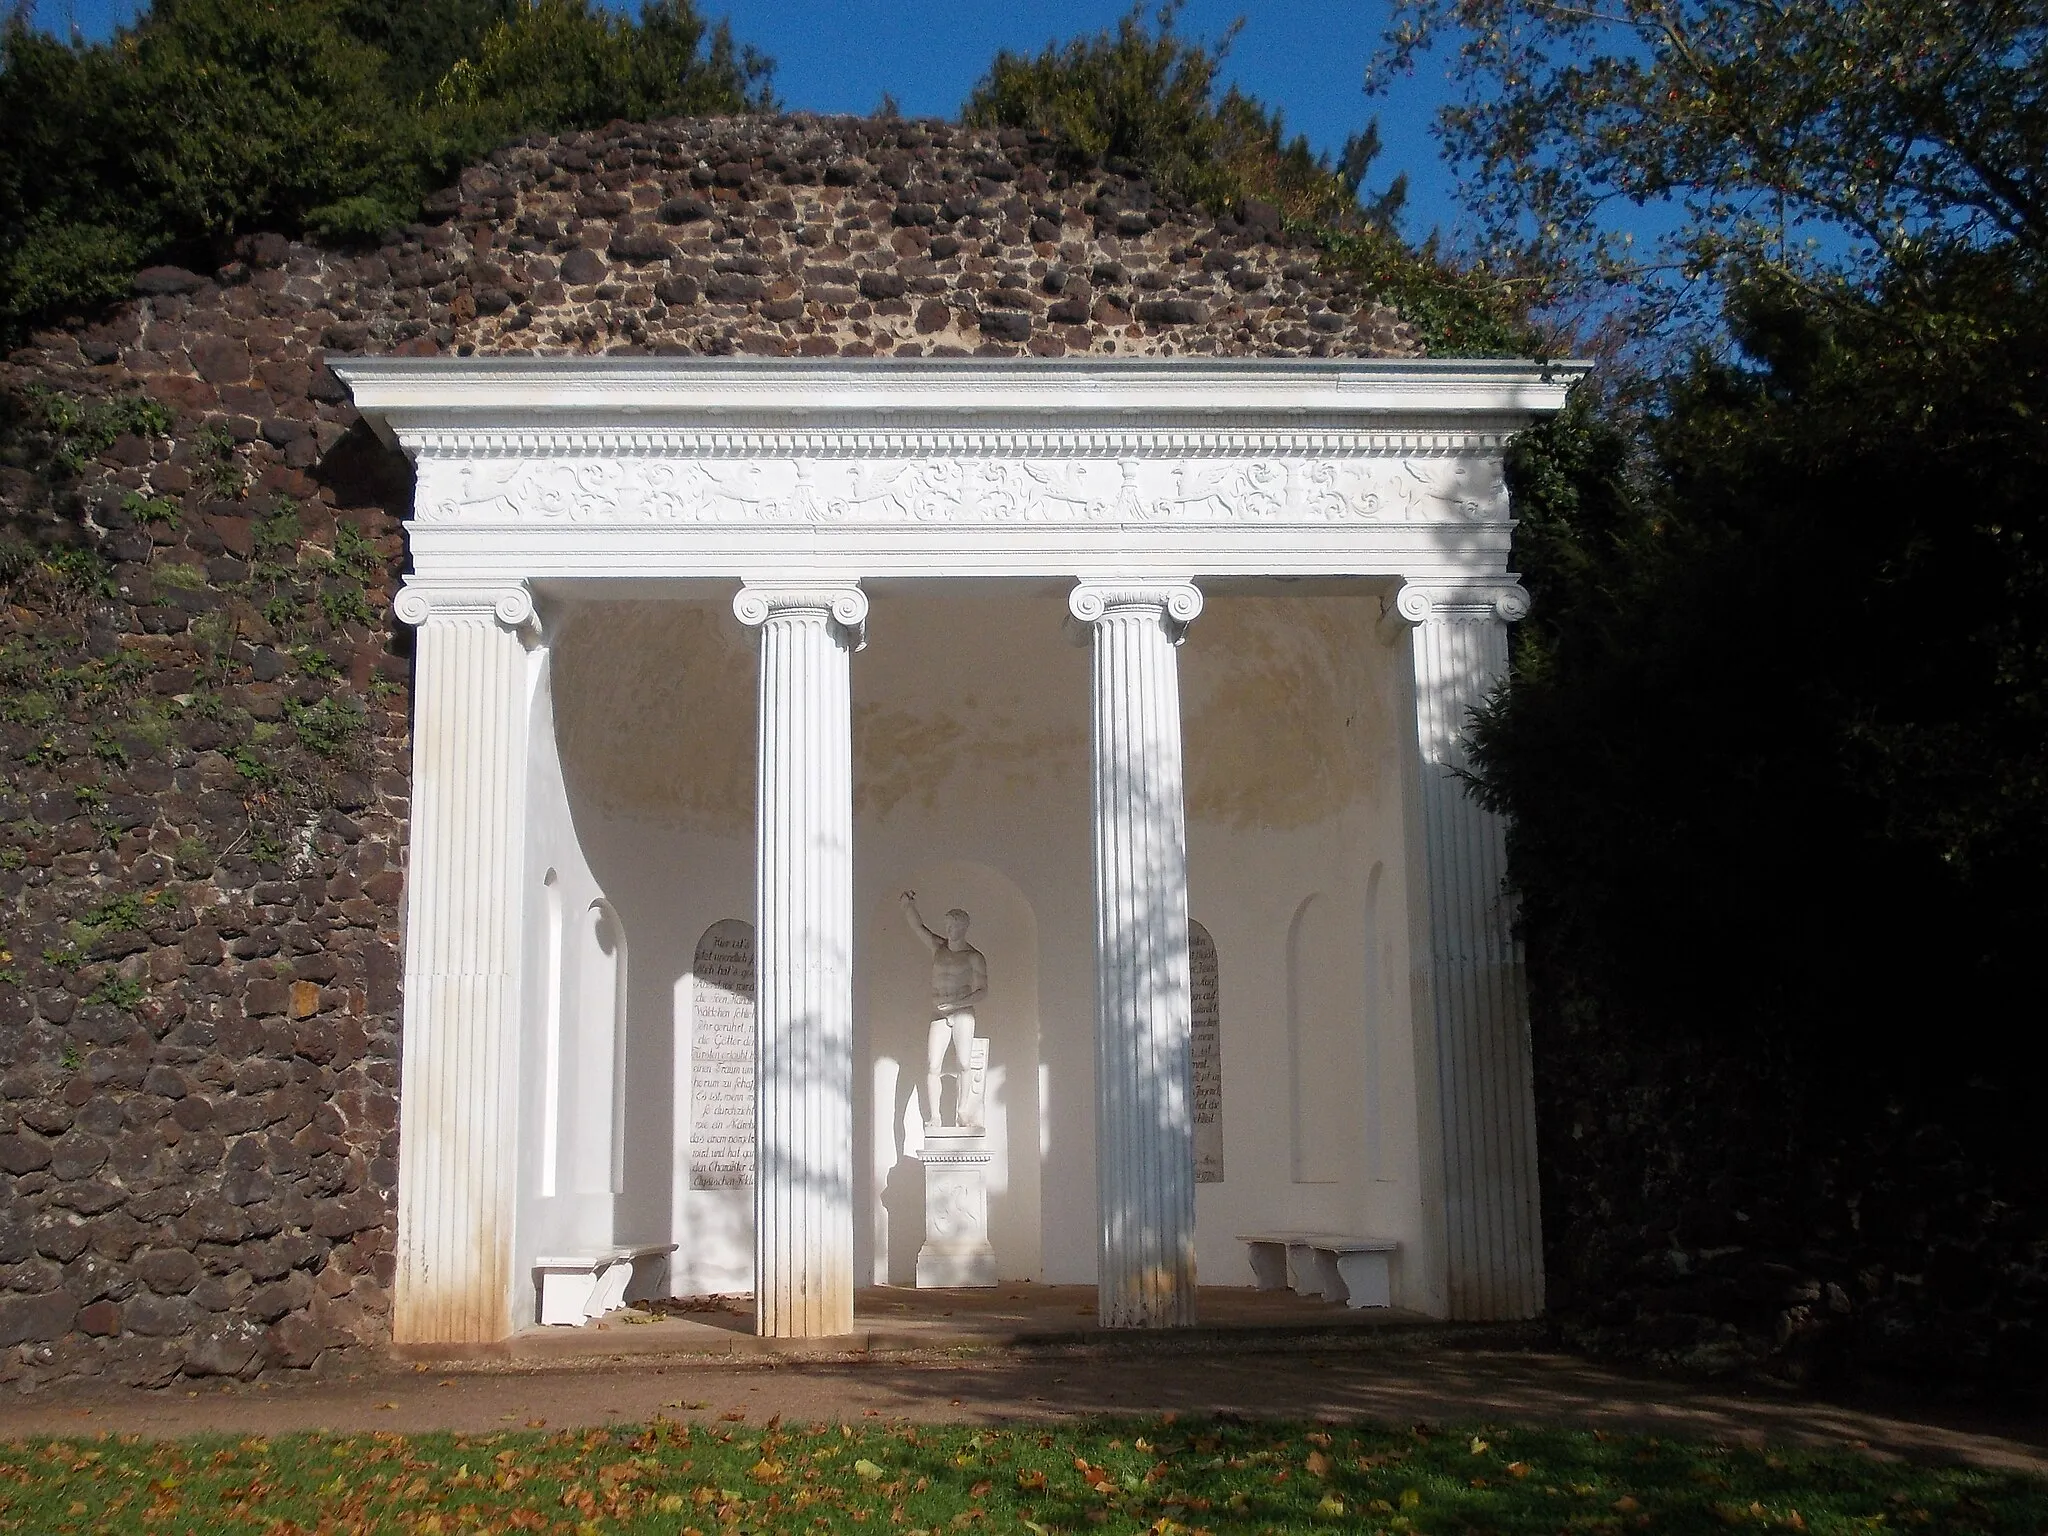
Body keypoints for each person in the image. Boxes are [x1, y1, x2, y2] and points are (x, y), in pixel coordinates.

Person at [899, 891, 988, 1129]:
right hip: (939, 1013)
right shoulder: (939, 947)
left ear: (963, 928)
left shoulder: (974, 957)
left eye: (953, 927)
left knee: (964, 1063)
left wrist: (956, 1005)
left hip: (962, 1012)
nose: (949, 931)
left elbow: (982, 992)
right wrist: (908, 906)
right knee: (932, 1065)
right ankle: (935, 1116)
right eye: (947, 926)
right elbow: (919, 927)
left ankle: (962, 1112)